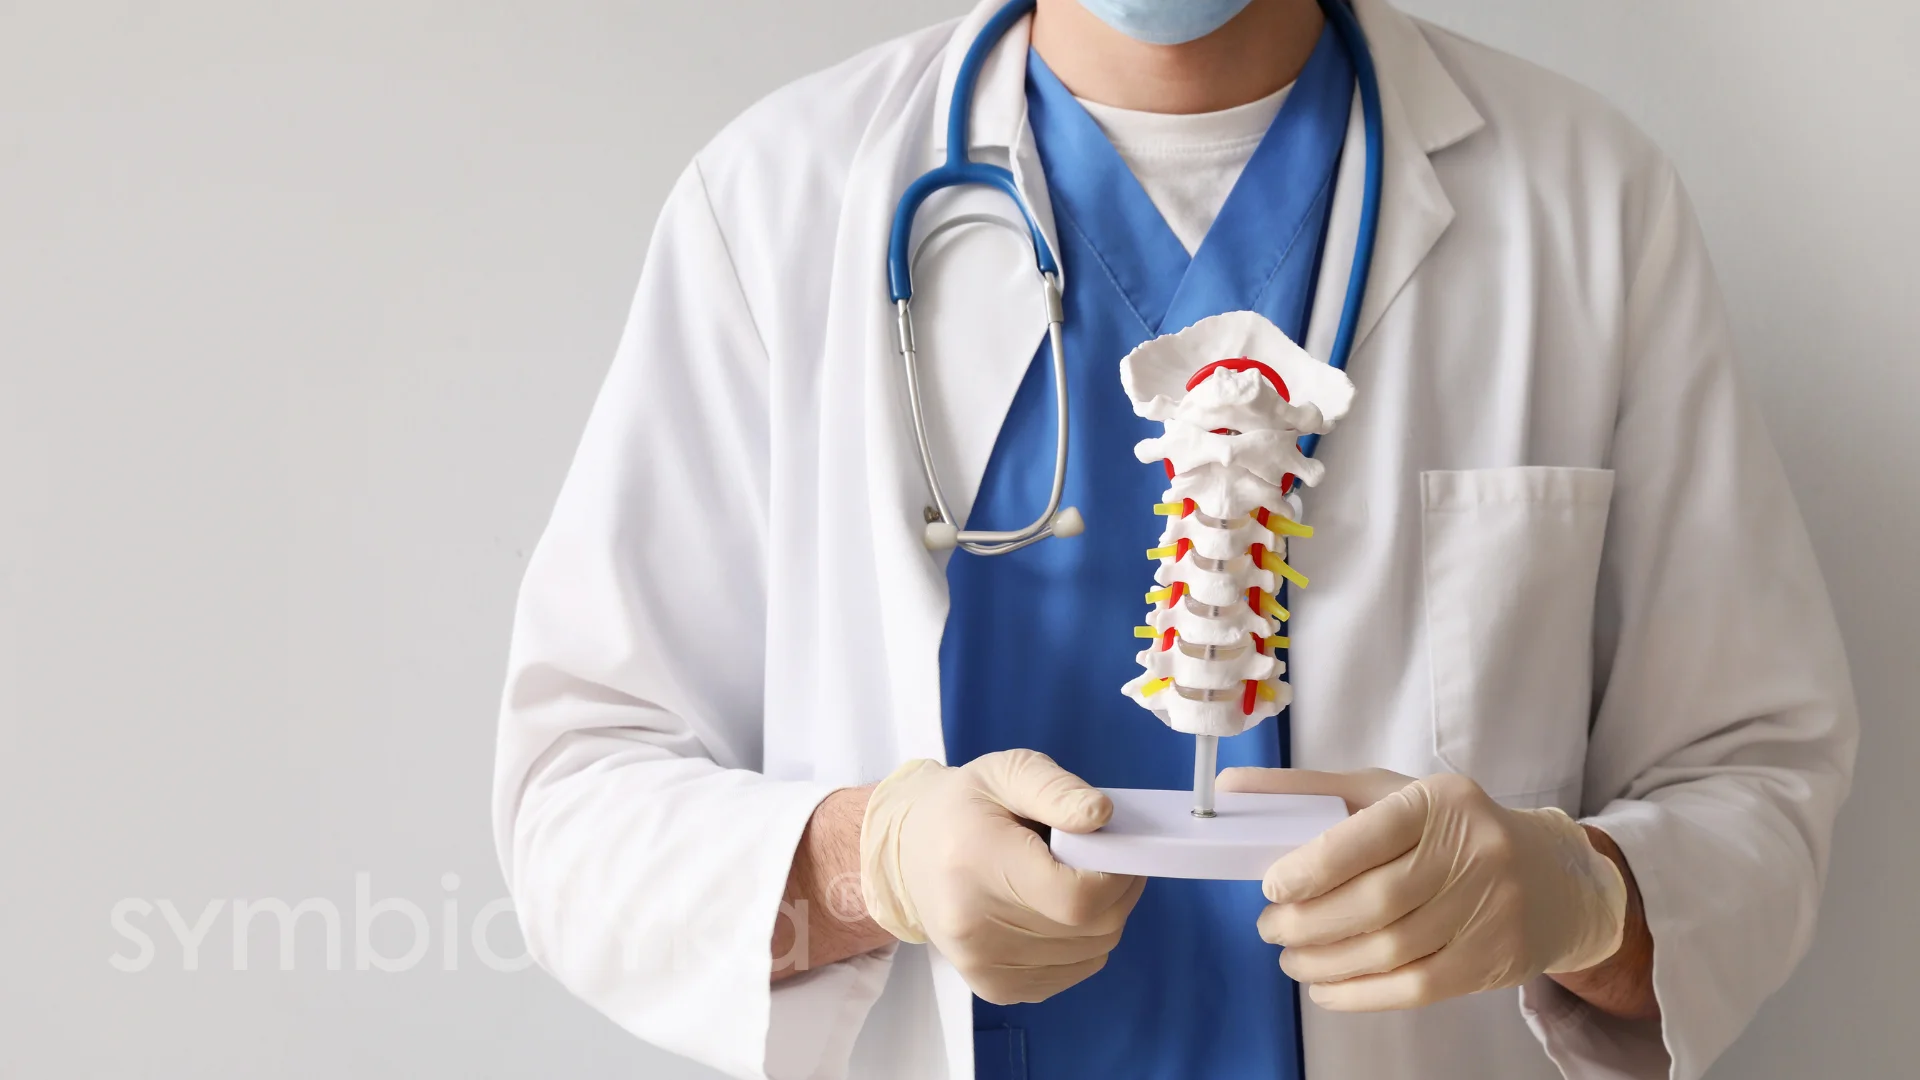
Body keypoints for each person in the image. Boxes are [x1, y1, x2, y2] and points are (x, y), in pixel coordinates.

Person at [490, 0, 1857, 1077]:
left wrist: (1578, 897)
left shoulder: (1586, 205)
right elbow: (574, 800)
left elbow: (1758, 776)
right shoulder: (777, 207)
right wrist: (870, 861)